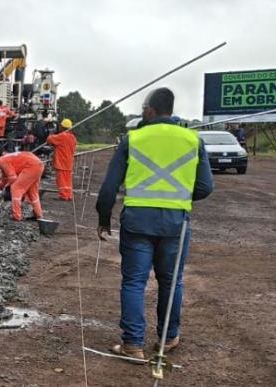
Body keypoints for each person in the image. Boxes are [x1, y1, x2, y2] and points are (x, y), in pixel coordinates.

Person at [95, 87, 214, 361]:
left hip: (137, 221)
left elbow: (109, 187)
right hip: (175, 223)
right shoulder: (193, 139)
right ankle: (168, 337)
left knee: (134, 282)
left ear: (150, 109)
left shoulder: (133, 139)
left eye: (143, 108)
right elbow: (206, 187)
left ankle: (133, 344)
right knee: (171, 282)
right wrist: (179, 197)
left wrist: (103, 218)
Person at [0, 151, 45, 221]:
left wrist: (7, 188)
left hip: (31, 166)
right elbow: (3, 183)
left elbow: (12, 178)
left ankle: (17, 216)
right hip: (38, 165)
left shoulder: (2, 161)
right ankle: (38, 215)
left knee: (15, 189)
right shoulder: (3, 161)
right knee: (32, 193)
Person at [47, 118, 76, 200]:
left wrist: (51, 133)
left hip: (61, 161)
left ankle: (63, 196)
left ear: (63, 127)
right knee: (68, 180)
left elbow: (49, 139)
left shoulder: (62, 136)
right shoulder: (73, 137)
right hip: (69, 161)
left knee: (61, 180)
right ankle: (69, 195)